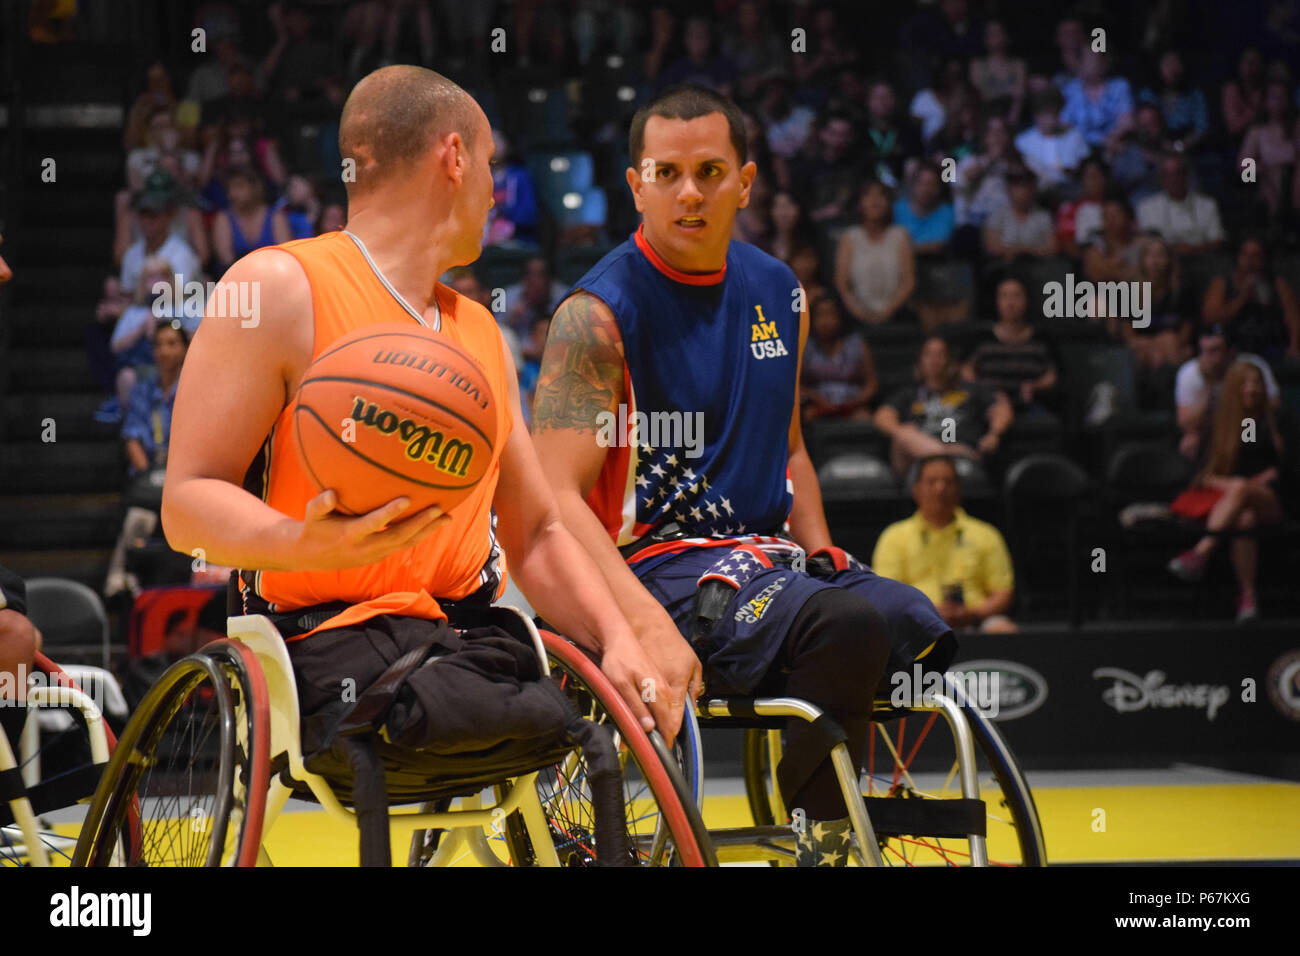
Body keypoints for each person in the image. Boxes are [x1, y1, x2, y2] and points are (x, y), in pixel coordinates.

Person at [160, 66, 677, 775]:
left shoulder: (482, 333)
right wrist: (303, 544)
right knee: (482, 711)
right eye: (491, 164)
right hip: (322, 640)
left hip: (461, 636)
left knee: (565, 724)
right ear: (455, 156)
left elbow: (538, 530)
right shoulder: (278, 287)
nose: (495, 189)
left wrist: (618, 639)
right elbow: (185, 504)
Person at [532, 85, 951, 866]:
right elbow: (553, 500)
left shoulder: (777, 288)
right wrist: (638, 627)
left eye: (710, 171)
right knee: (847, 626)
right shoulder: (595, 314)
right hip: (654, 570)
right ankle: (825, 827)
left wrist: (824, 551)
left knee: (908, 617)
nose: (689, 192)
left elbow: (791, 447)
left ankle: (814, 795)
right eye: (668, 173)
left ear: (745, 182)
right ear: (636, 185)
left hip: (767, 561)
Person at [1167, 361, 1295, 622]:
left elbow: (1290, 468)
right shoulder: (1220, 425)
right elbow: (1204, 475)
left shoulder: (1280, 420)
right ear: (1234, 388)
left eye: (1257, 382)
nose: (1252, 389)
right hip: (1236, 504)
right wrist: (1238, 486)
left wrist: (1262, 480)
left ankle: (1201, 552)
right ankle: (1247, 598)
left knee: (1242, 493)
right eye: (1246, 383)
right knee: (1244, 518)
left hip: (1275, 500)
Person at [872, 456, 1017, 633]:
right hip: (916, 623)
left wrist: (973, 613)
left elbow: (1003, 593)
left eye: (948, 482)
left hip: (976, 620)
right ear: (916, 490)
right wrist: (928, 612)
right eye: (932, 482)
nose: (940, 488)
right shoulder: (894, 537)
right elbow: (887, 596)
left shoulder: (986, 534)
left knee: (1004, 628)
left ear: (959, 490)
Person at [875, 335, 1013, 478]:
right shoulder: (908, 394)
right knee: (902, 436)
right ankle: (944, 458)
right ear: (920, 362)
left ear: (951, 361)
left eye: (940, 355)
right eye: (929, 355)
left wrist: (994, 433)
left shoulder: (972, 390)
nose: (934, 360)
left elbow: (1000, 408)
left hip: (964, 455)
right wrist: (901, 431)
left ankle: (943, 460)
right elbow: (883, 415)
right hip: (921, 459)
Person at [1174, 324, 1281, 461]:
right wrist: (1210, 384)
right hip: (1212, 429)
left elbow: (1275, 404)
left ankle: (1252, 473)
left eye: (1215, 351)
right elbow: (1186, 423)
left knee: (1253, 434)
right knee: (1190, 443)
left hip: (1247, 423)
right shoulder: (1190, 372)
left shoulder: (1250, 366)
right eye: (1204, 351)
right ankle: (1208, 478)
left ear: (1231, 351)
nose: (1207, 358)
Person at [962, 276, 1059, 417]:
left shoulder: (1042, 338)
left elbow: (1053, 375)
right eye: (1004, 296)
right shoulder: (981, 337)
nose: (1010, 303)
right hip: (988, 406)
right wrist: (985, 393)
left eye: (1016, 296)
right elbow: (966, 371)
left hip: (1031, 405)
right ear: (997, 301)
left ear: (1026, 300)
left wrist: (1035, 386)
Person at [1202, 236, 1300, 363]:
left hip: (1271, 345)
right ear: (1238, 257)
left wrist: (1295, 346)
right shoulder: (1222, 283)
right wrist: (1242, 298)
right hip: (1233, 347)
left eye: (1256, 256)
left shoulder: (1277, 284)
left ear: (1264, 259)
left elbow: (1293, 318)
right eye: (1245, 255)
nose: (1250, 261)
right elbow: (1210, 318)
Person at [834, 180, 915, 325]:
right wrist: (860, 314)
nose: (875, 200)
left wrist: (886, 313)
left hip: (897, 315)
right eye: (868, 196)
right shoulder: (849, 237)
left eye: (880, 195)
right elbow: (842, 285)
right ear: (859, 204)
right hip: (856, 317)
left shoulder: (900, 235)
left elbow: (908, 283)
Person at [801, 291, 877, 421]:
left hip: (852, 404)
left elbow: (872, 384)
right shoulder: (805, 346)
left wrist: (853, 403)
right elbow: (797, 386)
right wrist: (818, 400)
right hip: (817, 404)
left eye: (830, 314)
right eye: (820, 315)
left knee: (865, 419)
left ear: (841, 316)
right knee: (805, 418)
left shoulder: (857, 344)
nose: (825, 321)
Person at [1136, 153, 1225, 255]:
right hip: (1163, 262)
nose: (1173, 180)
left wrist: (1194, 249)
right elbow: (1147, 243)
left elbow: (1217, 241)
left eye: (1177, 173)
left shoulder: (1207, 205)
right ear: (1161, 178)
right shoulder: (1147, 207)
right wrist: (1173, 249)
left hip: (1202, 260)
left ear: (1186, 175)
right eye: (1167, 175)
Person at [212, 167, 292, 270]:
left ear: (255, 188)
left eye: (239, 187)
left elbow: (286, 256)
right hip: (237, 279)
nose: (232, 194)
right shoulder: (223, 218)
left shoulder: (276, 218)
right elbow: (226, 259)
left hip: (274, 275)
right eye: (229, 189)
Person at [982, 168, 1057, 261]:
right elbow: (992, 247)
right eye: (1017, 185)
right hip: (1005, 265)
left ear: (1033, 189)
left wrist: (1023, 251)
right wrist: (1026, 250)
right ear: (1009, 189)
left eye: (1026, 185)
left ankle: (1072, 277)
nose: (1022, 190)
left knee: (1066, 271)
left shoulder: (1044, 216)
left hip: (1037, 265)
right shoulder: (997, 216)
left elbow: (1052, 248)